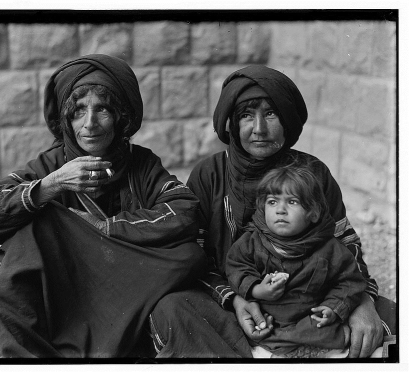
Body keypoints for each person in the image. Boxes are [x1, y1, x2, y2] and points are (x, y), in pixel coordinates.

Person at [149, 65, 396, 358]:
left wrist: (361, 302)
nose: (259, 129)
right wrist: (235, 300)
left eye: (271, 114)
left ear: (288, 120)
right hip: (234, 303)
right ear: (231, 122)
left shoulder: (312, 172)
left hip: (309, 305)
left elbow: (344, 245)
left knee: (391, 317)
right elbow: (194, 256)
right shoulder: (209, 174)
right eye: (246, 115)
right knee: (171, 308)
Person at [0, 54, 207, 358]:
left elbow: (185, 209)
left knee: (190, 254)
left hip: (122, 283)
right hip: (66, 293)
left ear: (120, 117)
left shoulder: (140, 164)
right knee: (36, 225)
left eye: (103, 109)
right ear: (66, 119)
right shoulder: (51, 164)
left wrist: (104, 227)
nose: (90, 124)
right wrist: (52, 184)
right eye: (79, 110)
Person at [226, 162, 366, 356]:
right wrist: (257, 289)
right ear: (262, 207)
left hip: (310, 321)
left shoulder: (330, 249)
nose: (280, 210)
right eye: (272, 202)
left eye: (292, 202)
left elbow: (349, 282)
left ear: (313, 213)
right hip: (269, 321)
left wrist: (332, 307)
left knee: (329, 338)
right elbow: (236, 266)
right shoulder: (251, 242)